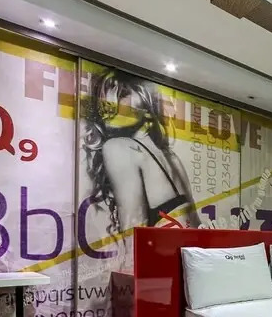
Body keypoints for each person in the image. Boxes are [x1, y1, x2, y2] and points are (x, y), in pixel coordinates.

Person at [82, 68, 200, 233]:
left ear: (146, 106)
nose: (109, 104)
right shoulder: (172, 158)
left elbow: (133, 235)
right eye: (102, 97)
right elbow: (197, 229)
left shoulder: (118, 147)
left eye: (122, 94)